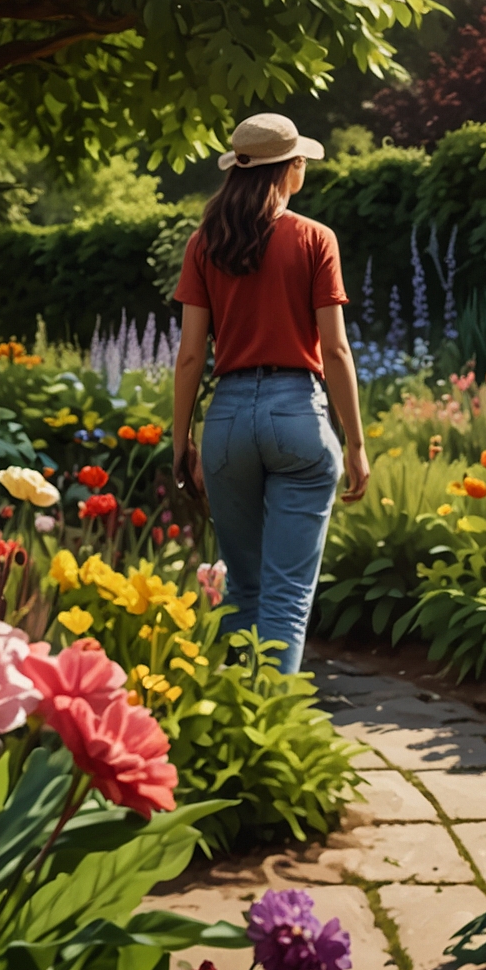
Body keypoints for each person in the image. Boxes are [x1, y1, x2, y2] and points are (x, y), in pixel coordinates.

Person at [170, 113, 371, 674]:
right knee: (285, 597)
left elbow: (190, 355)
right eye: (301, 161)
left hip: (227, 422)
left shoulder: (204, 243)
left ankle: (236, 721)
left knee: (244, 589)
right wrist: (355, 443)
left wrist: (181, 438)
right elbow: (335, 352)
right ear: (291, 169)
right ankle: (273, 723)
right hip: (297, 418)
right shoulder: (314, 238)